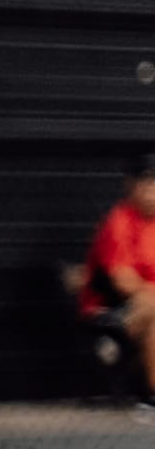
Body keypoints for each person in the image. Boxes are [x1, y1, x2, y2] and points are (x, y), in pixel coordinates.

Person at [77, 154, 155, 403]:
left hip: (145, 307)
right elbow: (123, 281)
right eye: (146, 184)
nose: (152, 192)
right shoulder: (118, 221)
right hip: (110, 310)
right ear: (131, 185)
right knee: (151, 307)